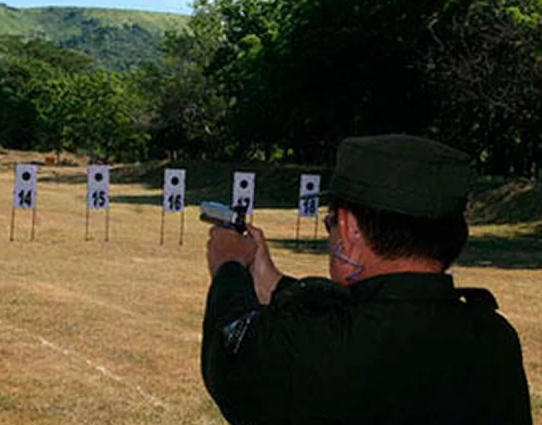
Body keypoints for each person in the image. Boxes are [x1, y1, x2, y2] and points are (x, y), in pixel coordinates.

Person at [202, 134, 532, 424]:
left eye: (331, 223)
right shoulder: (494, 339)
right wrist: (270, 281)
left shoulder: (320, 345)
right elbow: (362, 307)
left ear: (349, 229)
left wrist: (228, 266)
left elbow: (232, 355)